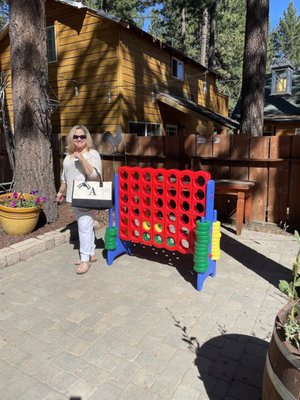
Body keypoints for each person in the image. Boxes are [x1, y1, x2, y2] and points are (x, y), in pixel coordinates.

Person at [55, 125, 102, 274]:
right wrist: (60, 192)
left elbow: (94, 175)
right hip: (74, 198)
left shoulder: (92, 154)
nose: (79, 139)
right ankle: (92, 253)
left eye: (82, 136)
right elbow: (65, 179)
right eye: (76, 137)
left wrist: (81, 158)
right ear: (72, 138)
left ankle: (85, 260)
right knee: (86, 227)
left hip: (88, 197)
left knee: (83, 227)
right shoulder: (68, 157)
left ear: (87, 138)